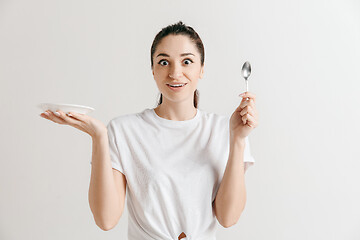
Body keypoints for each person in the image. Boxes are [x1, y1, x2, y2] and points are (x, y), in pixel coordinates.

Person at [39, 21, 259, 240]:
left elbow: (228, 218)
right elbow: (106, 220)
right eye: (164, 62)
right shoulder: (125, 130)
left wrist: (238, 140)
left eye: (186, 61)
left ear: (201, 69)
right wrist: (99, 137)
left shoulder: (224, 130)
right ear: (153, 70)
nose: (175, 72)